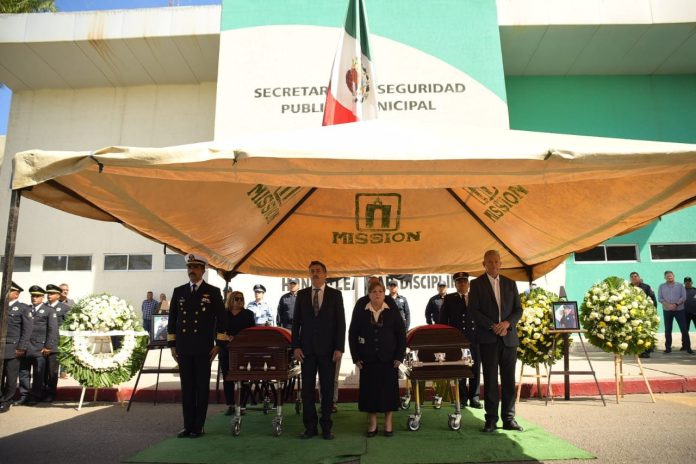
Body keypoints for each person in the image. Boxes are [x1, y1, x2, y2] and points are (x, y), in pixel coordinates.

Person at [167, 253, 227, 438]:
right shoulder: (179, 291)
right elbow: (172, 319)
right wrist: (172, 344)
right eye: (189, 267)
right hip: (184, 347)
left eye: (195, 268)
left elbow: (222, 320)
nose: (191, 271)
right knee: (187, 388)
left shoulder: (213, 291)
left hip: (204, 348)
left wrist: (219, 345)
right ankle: (187, 425)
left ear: (203, 270)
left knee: (201, 388)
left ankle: (198, 426)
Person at [468, 250, 523, 433]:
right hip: (488, 339)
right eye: (489, 262)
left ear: (500, 263)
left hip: (509, 339)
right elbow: (473, 311)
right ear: (484, 264)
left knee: (509, 379)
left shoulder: (510, 283)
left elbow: (518, 310)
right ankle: (491, 419)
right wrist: (493, 326)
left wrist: (507, 323)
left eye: (496, 261)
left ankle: (509, 418)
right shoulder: (476, 284)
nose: (493, 265)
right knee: (490, 380)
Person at [291, 260, 345, 440]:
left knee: (327, 390)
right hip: (306, 351)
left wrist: (339, 348)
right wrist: (296, 346)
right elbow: (295, 323)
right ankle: (310, 427)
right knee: (307, 390)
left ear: (325, 274)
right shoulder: (302, 294)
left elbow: (341, 324)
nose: (315, 273)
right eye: (312, 271)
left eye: (318, 271)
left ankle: (327, 427)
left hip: (329, 351)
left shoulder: (335, 295)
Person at [349, 279, 406, 437]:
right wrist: (355, 357)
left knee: (389, 392)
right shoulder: (361, 306)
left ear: (384, 293)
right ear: (369, 293)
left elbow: (401, 333)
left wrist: (399, 356)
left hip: (389, 359)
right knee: (370, 393)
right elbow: (352, 333)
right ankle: (372, 424)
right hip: (367, 359)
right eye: (374, 291)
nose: (377, 294)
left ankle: (388, 423)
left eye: (380, 291)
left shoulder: (391, 307)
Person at [439, 272, 482, 409]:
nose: (462, 284)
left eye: (464, 281)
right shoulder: (449, 299)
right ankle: (462, 397)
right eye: (459, 282)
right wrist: (446, 340)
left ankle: (474, 397)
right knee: (461, 368)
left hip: (475, 339)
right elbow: (443, 320)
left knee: (475, 367)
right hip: (458, 339)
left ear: (468, 284)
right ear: (455, 284)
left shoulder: (476, 297)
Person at [17, 285, 58, 406]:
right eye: (32, 296)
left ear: (42, 297)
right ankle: (24, 395)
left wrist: (48, 346)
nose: (34, 298)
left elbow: (52, 330)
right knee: (24, 373)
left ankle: (35, 395)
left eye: (37, 296)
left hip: (39, 347)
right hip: (25, 347)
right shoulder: (26, 309)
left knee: (38, 374)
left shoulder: (49, 310)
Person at [218, 290, 255, 416]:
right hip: (226, 350)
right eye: (237, 299)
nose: (239, 301)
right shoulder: (223, 314)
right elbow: (216, 332)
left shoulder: (248, 314)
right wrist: (227, 338)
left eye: (241, 299)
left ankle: (242, 404)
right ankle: (230, 405)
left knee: (243, 378)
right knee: (228, 378)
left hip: (242, 351)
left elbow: (251, 332)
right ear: (231, 300)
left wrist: (238, 339)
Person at [0, 282, 33, 413]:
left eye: (9, 292)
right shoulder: (1, 306)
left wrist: (21, 347)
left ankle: (6, 401)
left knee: (11, 376)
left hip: (13, 347)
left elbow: (27, 330)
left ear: (16, 294)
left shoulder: (23, 308)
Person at [44, 284, 71, 402]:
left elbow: (68, 327)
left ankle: (51, 393)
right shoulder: (43, 306)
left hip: (56, 344)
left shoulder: (64, 308)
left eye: (51, 294)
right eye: (48, 293)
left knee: (52, 371)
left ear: (58, 295)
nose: (49, 296)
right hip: (41, 342)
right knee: (42, 370)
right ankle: (42, 392)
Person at [657, 271, 691, 354]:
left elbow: (683, 297)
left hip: (679, 310)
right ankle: (668, 348)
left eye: (671, 276)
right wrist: (668, 305)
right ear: (665, 277)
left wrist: (675, 304)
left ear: (674, 276)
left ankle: (688, 348)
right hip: (667, 310)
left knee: (684, 329)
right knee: (668, 330)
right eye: (667, 276)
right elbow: (660, 298)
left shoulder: (680, 286)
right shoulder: (661, 286)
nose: (669, 277)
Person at [629, 271, 657, 358]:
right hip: (634, 314)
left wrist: (654, 311)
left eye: (635, 276)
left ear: (639, 277)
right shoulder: (629, 287)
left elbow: (653, 299)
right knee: (636, 333)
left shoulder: (646, 287)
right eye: (632, 277)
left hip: (645, 314)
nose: (634, 278)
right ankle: (639, 349)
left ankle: (647, 351)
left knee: (645, 332)